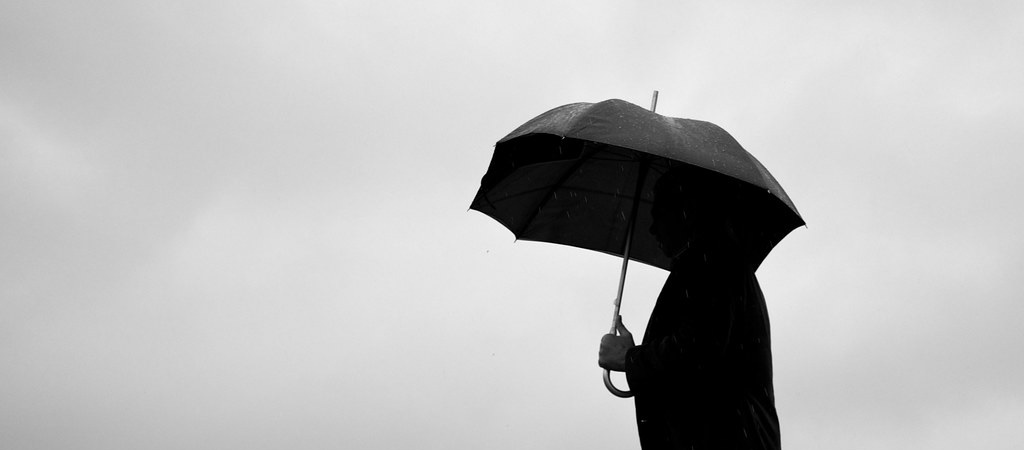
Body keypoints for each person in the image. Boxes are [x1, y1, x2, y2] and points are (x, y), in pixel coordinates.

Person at [598, 166, 781, 450]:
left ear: (689, 210)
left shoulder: (712, 262)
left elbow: (698, 351)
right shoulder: (714, 262)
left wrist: (631, 359)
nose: (652, 227)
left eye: (659, 213)